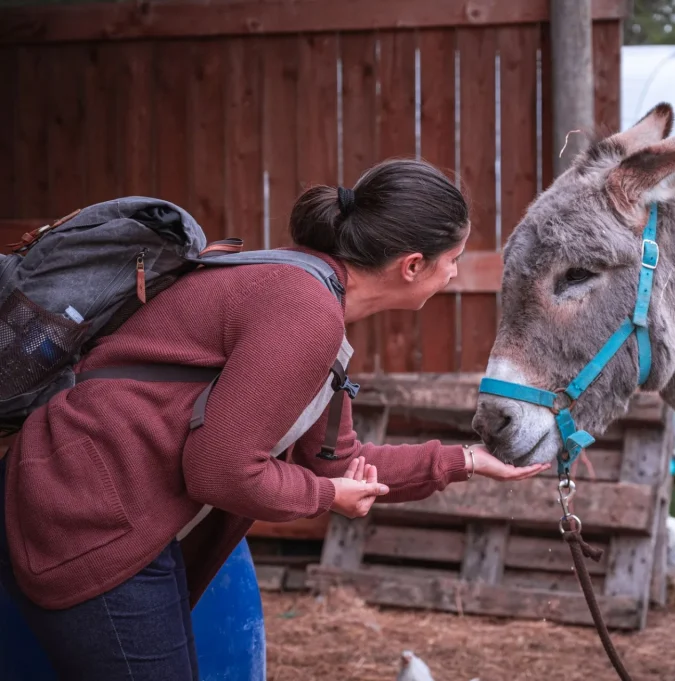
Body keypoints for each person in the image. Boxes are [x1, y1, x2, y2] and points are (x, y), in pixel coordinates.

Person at [0, 158, 548, 680]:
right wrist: (324, 497)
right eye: (452, 258)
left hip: (99, 497)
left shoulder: (310, 303)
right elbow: (220, 470)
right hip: (84, 512)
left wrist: (467, 461)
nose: (454, 273)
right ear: (411, 266)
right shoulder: (303, 310)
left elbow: (342, 461)